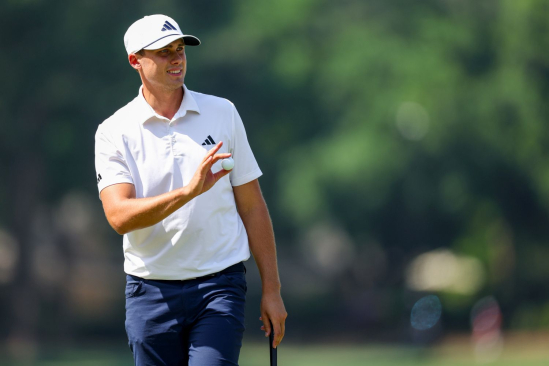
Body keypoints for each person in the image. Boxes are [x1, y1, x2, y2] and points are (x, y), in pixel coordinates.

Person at [94, 14, 287, 365]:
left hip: (219, 286)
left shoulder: (222, 112)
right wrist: (188, 191)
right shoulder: (113, 131)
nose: (177, 58)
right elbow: (119, 216)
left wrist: (272, 290)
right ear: (135, 60)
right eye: (164, 52)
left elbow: (252, 207)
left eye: (179, 49)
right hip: (150, 290)